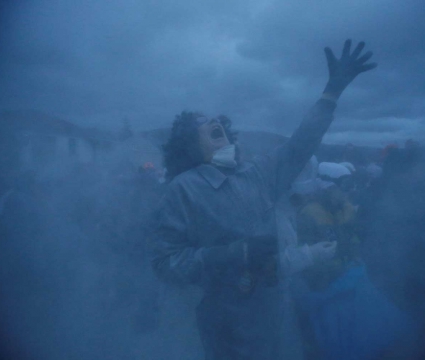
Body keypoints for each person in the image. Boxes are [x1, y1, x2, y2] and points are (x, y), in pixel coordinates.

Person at [151, 39, 376, 360]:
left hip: (276, 309)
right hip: (227, 321)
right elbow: (164, 264)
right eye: (200, 123)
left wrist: (331, 94)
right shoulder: (182, 189)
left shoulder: (256, 173)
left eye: (215, 119)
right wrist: (232, 253)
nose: (212, 120)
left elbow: (301, 144)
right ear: (188, 144)